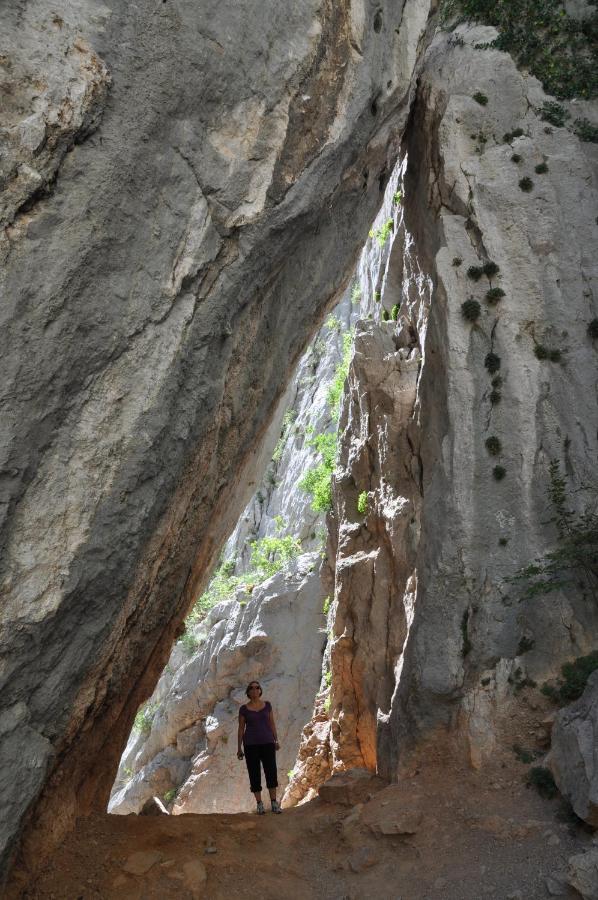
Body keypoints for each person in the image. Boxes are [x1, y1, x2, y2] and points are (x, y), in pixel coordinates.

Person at [237, 681, 282, 814]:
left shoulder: (267, 705)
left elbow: (272, 723)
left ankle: (274, 803)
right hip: (250, 745)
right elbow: (240, 729)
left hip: (268, 743)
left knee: (271, 772)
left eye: (257, 687)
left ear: (260, 690)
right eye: (251, 688)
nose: (255, 689)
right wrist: (239, 748)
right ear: (248, 692)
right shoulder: (244, 709)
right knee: (254, 774)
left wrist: (276, 740)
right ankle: (259, 804)